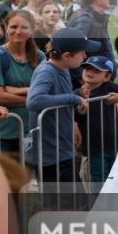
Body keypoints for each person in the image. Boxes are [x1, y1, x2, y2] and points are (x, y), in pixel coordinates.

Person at [26, 28, 100, 184]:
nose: (85, 56)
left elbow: (57, 98)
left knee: (74, 204)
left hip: (63, 150)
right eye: (82, 52)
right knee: (60, 204)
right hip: (50, 155)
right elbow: (34, 101)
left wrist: (77, 95)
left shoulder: (64, 68)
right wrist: (73, 98)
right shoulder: (46, 72)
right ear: (67, 56)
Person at [0, 11, 46, 157]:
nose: (18, 31)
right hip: (4, 134)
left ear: (32, 29)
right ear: (6, 28)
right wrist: (34, 98)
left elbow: (47, 92)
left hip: (34, 130)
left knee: (31, 178)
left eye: (24, 27)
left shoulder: (39, 56)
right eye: (13, 26)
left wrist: (11, 90)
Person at [74, 56, 118, 191]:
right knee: (98, 182)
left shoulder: (110, 88)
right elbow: (74, 114)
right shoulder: (77, 93)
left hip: (114, 144)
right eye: (87, 68)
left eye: (96, 70)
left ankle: (113, 208)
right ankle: (98, 208)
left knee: (114, 179)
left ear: (106, 76)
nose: (90, 72)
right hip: (94, 148)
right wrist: (81, 106)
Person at [67, 0, 115, 86]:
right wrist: (83, 80)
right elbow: (72, 52)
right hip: (88, 87)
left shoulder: (95, 17)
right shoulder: (84, 19)